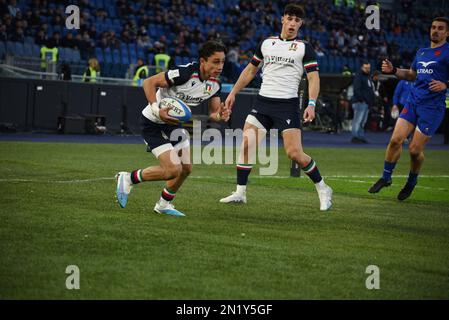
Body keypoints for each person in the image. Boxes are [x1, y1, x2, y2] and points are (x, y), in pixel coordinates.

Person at [219, 3, 333, 211]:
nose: (292, 23)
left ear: (300, 24)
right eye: (289, 18)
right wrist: (233, 93)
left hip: (287, 105)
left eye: (297, 20)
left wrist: (311, 103)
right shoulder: (266, 44)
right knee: (247, 144)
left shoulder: (303, 48)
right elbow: (250, 71)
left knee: (294, 154)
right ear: (282, 19)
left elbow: (313, 78)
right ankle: (240, 193)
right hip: (262, 102)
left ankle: (323, 187)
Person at [115, 41, 230, 216]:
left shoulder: (215, 85)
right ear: (202, 61)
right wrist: (157, 109)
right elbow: (148, 82)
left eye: (222, 62)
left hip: (174, 126)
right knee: (172, 170)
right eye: (215, 61)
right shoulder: (184, 73)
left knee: (186, 169)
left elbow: (213, 113)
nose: (220, 66)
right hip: (152, 123)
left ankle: (163, 204)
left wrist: (221, 115)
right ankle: (128, 178)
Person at [368, 17, 449, 200]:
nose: (435, 31)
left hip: (432, 108)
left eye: (440, 28)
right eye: (433, 27)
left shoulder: (448, 52)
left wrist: (445, 84)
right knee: (396, 139)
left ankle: (411, 182)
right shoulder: (422, 52)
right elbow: (411, 75)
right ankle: (386, 177)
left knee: (414, 150)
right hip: (413, 103)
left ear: (447, 33)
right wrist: (394, 70)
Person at [350, 61, 375, 143]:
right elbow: (356, 90)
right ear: (362, 68)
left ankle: (360, 136)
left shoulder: (367, 76)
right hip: (360, 102)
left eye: (369, 68)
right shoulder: (359, 76)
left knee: (362, 121)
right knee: (357, 120)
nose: (368, 69)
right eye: (366, 68)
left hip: (365, 102)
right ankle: (355, 136)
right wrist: (362, 99)